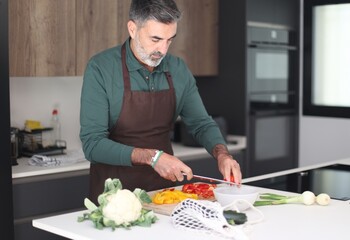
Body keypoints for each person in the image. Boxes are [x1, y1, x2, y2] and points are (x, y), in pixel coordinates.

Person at [80, 0, 242, 202]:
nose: (163, 50)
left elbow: (201, 124)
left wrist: (222, 154)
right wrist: (152, 157)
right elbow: (92, 144)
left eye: (169, 40)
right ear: (132, 28)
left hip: (164, 196)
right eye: (155, 39)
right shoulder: (101, 68)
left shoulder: (178, 69)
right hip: (115, 199)